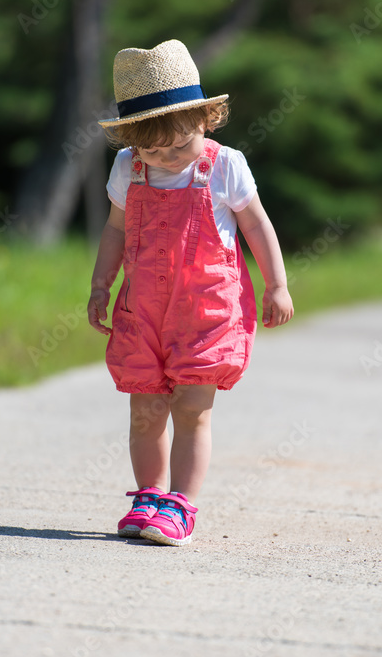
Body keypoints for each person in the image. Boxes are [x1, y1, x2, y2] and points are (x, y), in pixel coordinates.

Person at [88, 39, 293, 546]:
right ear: (134, 143)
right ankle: (147, 499)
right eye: (153, 149)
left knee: (191, 408)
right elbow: (116, 231)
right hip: (144, 311)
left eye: (179, 145)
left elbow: (256, 225)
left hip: (205, 310)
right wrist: (100, 284)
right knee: (145, 410)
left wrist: (278, 284)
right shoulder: (127, 169)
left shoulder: (224, 166)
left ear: (205, 119)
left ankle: (180, 504)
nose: (168, 157)